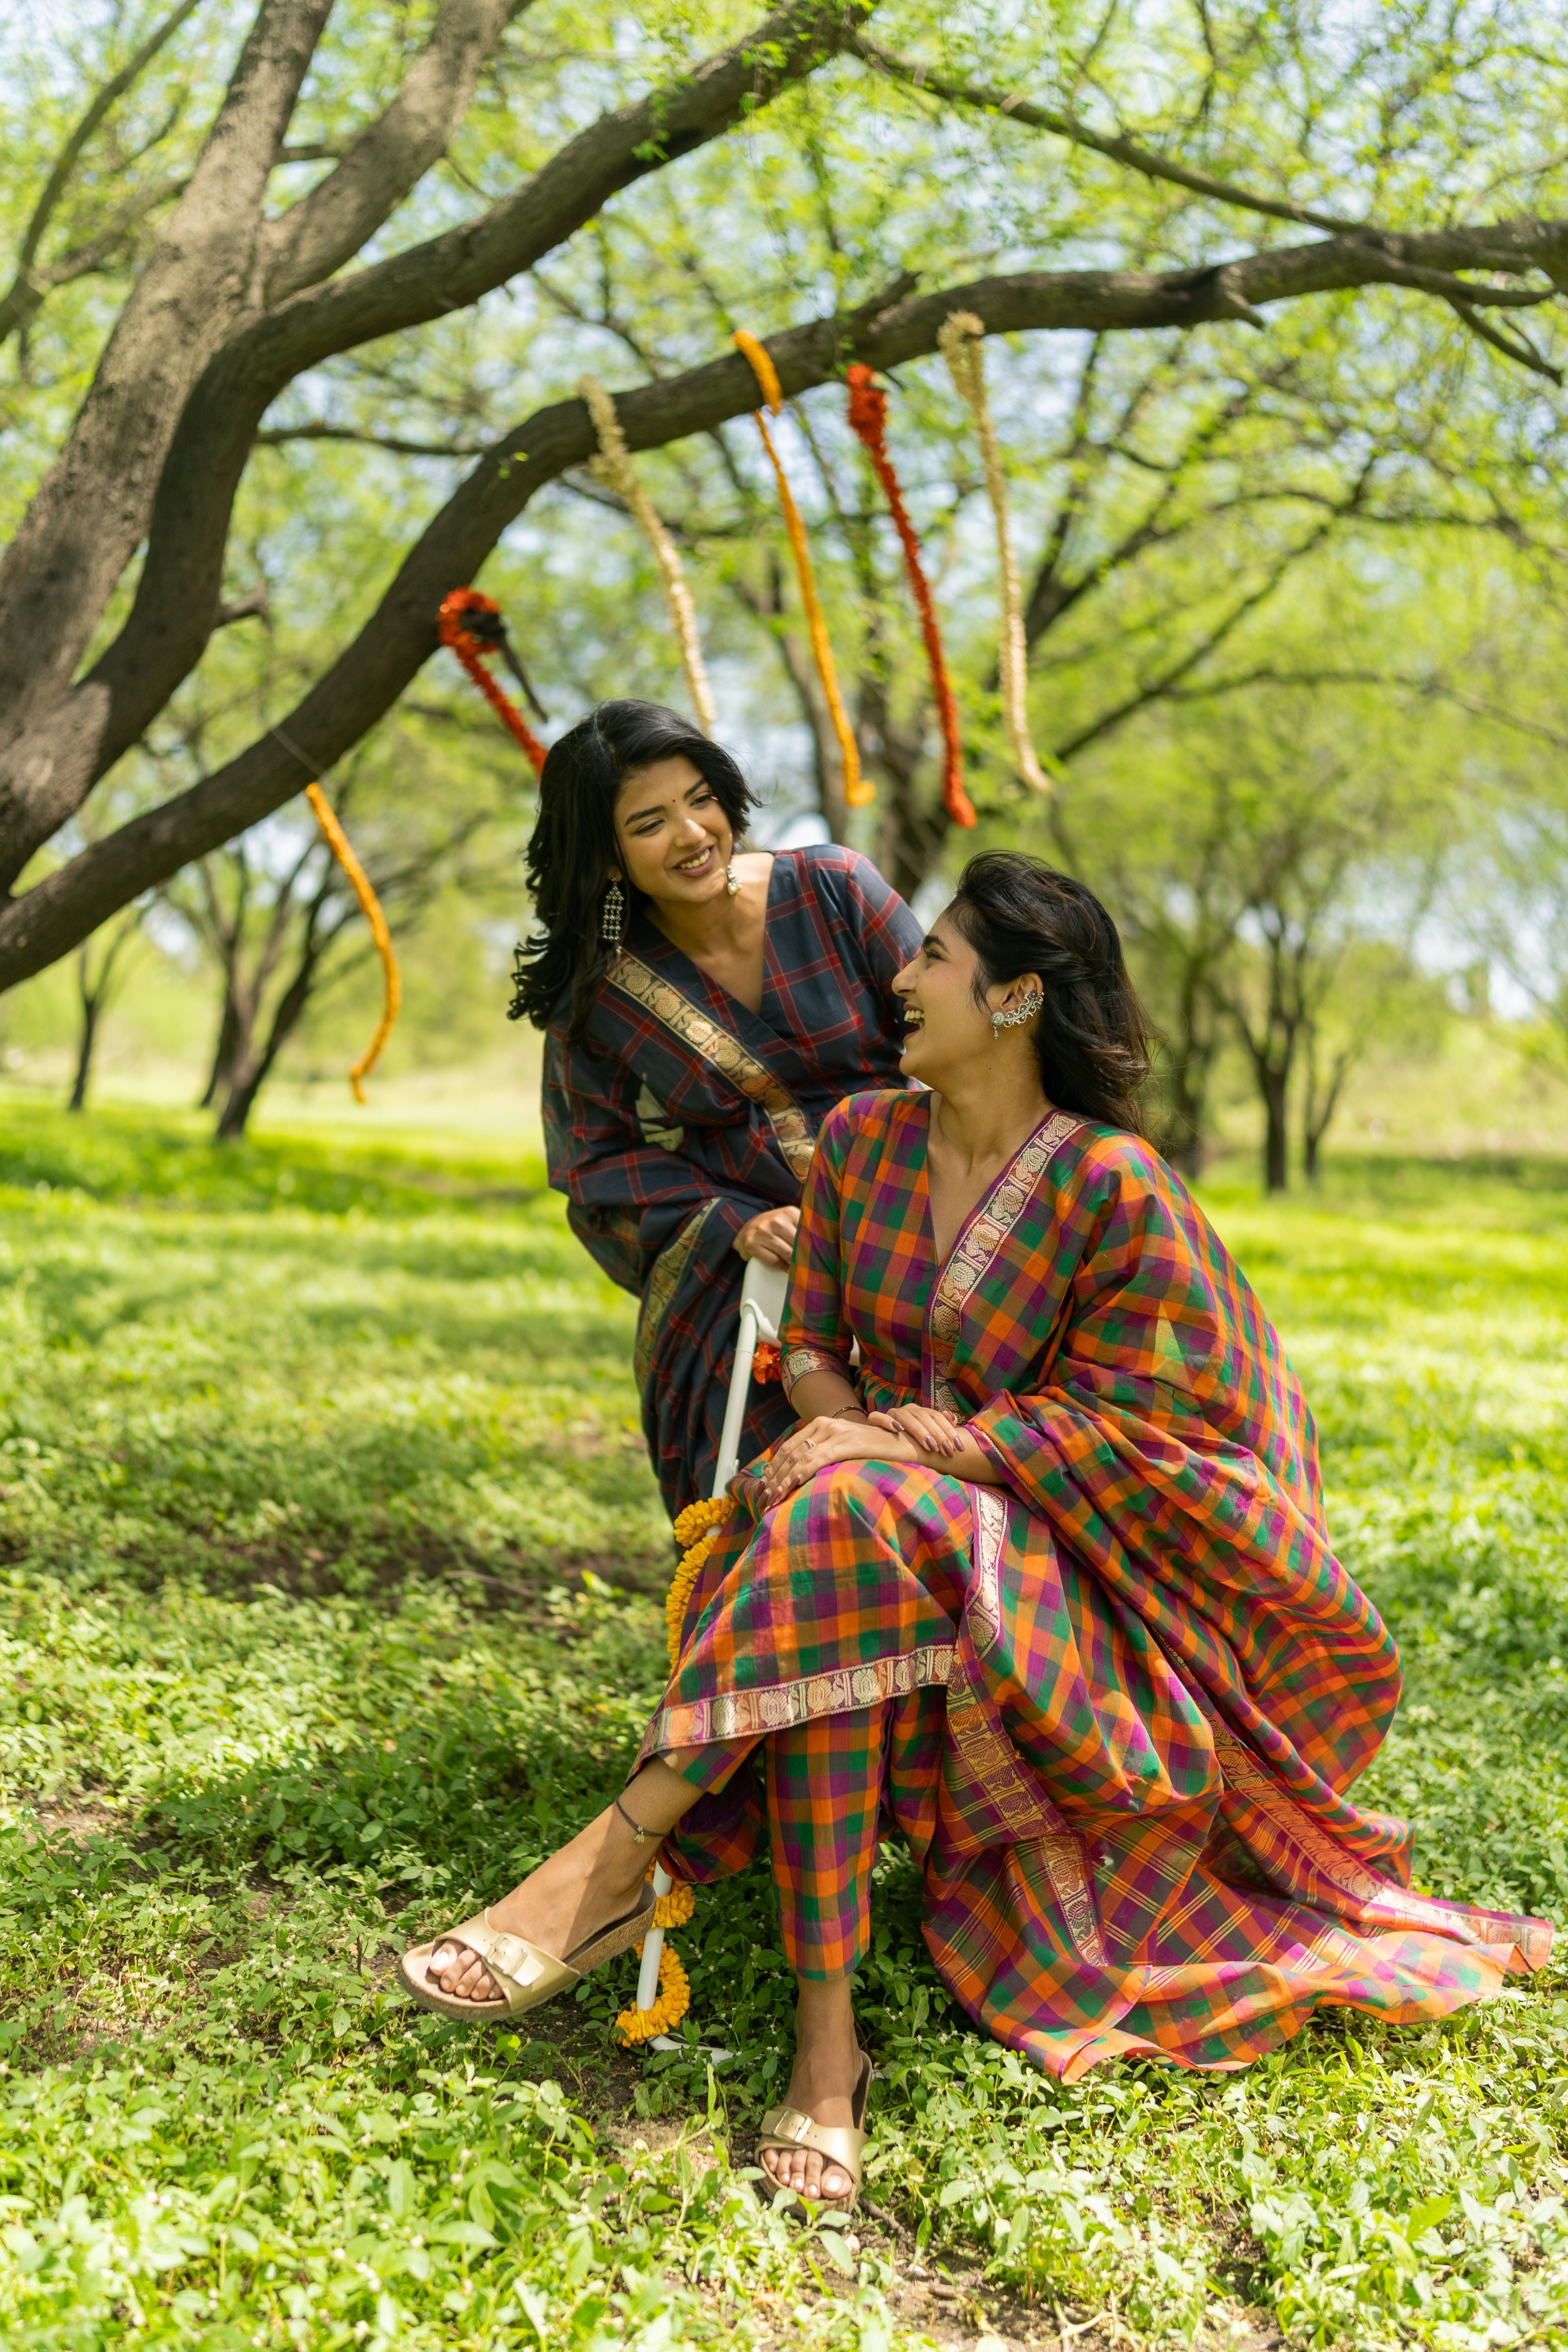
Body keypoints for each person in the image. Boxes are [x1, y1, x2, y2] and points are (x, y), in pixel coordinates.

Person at [403, 851, 1549, 2210]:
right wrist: (848, 1431)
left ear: (1011, 999)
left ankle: (620, 1867)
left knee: (848, 1509)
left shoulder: (1111, 1188)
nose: (897, 975)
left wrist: (891, 1443)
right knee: (851, 1532)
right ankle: (818, 2052)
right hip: (881, 1556)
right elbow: (813, 1343)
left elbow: (1149, 1429)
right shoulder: (866, 1145)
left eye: (932, 956)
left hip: (1074, 1595)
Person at [508, 699, 922, 1519]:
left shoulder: (835, 890)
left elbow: (963, 1037)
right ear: (609, 854)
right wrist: (730, 1220)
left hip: (919, 1243)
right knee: (783, 1503)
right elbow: (594, 1164)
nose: (692, 833)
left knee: (941, 1469)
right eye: (650, 821)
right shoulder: (600, 994)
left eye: (700, 798)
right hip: (754, 1287)